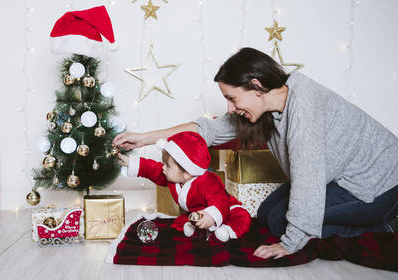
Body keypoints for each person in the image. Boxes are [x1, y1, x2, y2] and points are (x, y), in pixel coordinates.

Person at [113, 47, 398, 259]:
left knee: (280, 223)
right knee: (267, 213)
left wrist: (290, 244)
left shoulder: (304, 108)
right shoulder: (267, 108)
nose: (230, 108)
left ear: (256, 87)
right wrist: (145, 138)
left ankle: (381, 226)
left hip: (376, 186)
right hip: (337, 178)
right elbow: (207, 130)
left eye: (231, 99)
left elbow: (309, 182)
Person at [117, 131, 251, 242]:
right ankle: (200, 230)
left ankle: (226, 230)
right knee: (180, 222)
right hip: (197, 215)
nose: (163, 167)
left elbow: (220, 199)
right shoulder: (174, 178)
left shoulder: (207, 181)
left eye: (167, 165)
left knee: (242, 216)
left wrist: (211, 216)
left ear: (187, 173)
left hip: (226, 210)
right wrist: (130, 163)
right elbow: (154, 169)